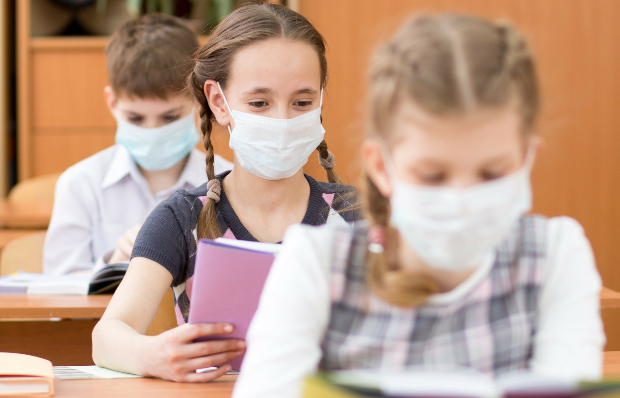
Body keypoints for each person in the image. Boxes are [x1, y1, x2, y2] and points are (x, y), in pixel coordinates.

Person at [233, 14, 605, 398]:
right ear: (382, 166)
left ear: (528, 157)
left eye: (492, 173)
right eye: (432, 176)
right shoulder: (317, 263)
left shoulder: (553, 253)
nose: (462, 200)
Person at [92, 2, 359, 383]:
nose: (282, 120)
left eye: (302, 102)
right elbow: (106, 336)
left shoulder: (357, 215)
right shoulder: (181, 218)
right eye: (259, 103)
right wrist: (153, 355)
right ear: (219, 102)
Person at [43, 14, 232, 275]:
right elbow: (57, 289)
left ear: (199, 99)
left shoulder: (229, 183)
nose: (152, 130)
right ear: (112, 103)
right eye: (135, 118)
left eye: (170, 117)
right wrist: (115, 261)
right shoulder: (80, 184)